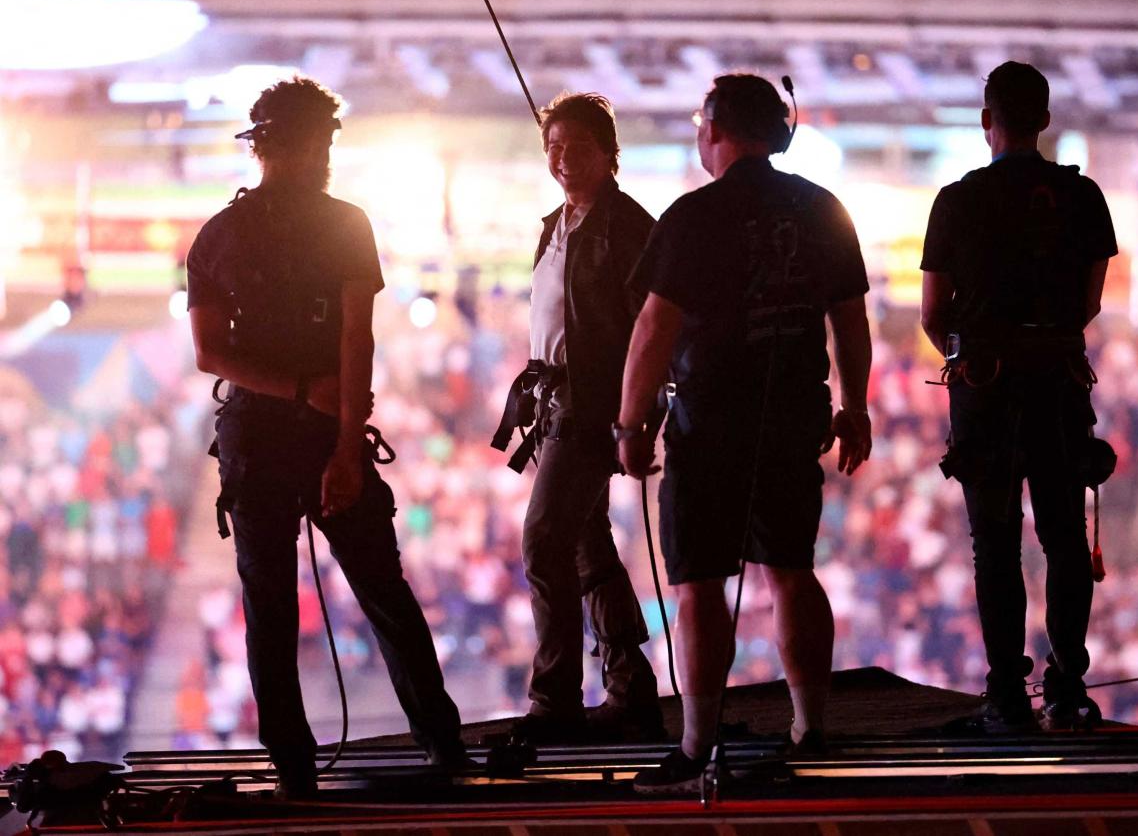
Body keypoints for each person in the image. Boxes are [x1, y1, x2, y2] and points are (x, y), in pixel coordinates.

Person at [187, 76, 464, 797]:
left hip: (257, 435)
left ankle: (294, 766)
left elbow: (213, 354)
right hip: (321, 427)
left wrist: (309, 405)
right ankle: (441, 742)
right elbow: (352, 340)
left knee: (270, 604)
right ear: (307, 144)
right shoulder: (345, 223)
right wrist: (340, 437)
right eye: (323, 142)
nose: (327, 154)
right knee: (382, 591)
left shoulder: (220, 235)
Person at [618, 74, 873, 791]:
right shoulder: (823, 208)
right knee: (792, 569)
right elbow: (849, 322)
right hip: (796, 417)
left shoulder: (693, 215)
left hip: (708, 423)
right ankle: (811, 727)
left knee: (700, 583)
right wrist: (855, 405)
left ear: (715, 131)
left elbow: (653, 329)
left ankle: (697, 746)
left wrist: (631, 422)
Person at [920, 61, 1117, 733]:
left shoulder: (957, 199)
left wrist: (975, 353)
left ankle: (1006, 695)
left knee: (996, 546)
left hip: (988, 392)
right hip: (1058, 388)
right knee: (1064, 539)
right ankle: (1067, 688)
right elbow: (1088, 302)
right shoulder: (1083, 198)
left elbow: (930, 313)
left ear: (987, 122)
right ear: (1045, 120)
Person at [495, 92, 663, 744]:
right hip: (556, 400)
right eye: (553, 147)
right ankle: (629, 685)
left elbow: (654, 328)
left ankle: (555, 697)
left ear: (609, 154)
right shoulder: (555, 223)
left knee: (543, 539)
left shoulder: (626, 227)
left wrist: (635, 417)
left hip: (595, 403)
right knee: (585, 542)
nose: (562, 160)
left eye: (578, 147)